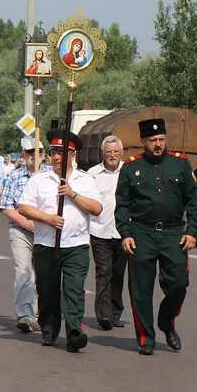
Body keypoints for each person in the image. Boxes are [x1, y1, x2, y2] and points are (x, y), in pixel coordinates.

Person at [114, 118, 197, 356]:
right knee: (140, 289)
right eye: (153, 140)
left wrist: (192, 231)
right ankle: (146, 337)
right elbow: (122, 205)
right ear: (143, 141)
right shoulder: (131, 167)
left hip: (174, 233)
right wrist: (125, 234)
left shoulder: (180, 165)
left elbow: (193, 202)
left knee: (178, 284)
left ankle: (166, 322)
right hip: (142, 233)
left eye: (161, 139)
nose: (158, 144)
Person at [18, 129, 103, 353]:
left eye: (62, 152)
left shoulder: (85, 180)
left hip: (76, 244)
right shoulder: (39, 179)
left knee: (73, 290)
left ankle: (74, 331)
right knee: (47, 290)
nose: (57, 157)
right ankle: (48, 329)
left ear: (72, 155)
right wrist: (47, 218)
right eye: (54, 152)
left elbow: (97, 208)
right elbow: (24, 207)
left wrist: (73, 194)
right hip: (46, 244)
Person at [0, 137, 45, 333]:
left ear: (43, 155)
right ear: (23, 156)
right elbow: (6, 206)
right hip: (20, 230)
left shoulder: (51, 176)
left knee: (44, 275)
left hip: (46, 231)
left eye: (38, 152)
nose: (34, 156)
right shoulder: (15, 177)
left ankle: (43, 315)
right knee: (24, 270)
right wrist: (26, 223)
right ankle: (25, 315)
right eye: (29, 153)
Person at [87, 135, 127, 330]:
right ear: (102, 153)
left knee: (118, 273)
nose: (112, 155)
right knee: (104, 272)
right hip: (99, 230)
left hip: (122, 232)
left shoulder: (129, 172)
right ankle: (103, 316)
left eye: (116, 152)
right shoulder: (92, 174)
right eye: (109, 152)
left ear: (121, 152)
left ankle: (115, 312)